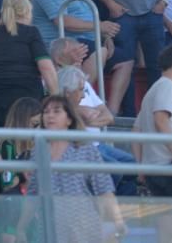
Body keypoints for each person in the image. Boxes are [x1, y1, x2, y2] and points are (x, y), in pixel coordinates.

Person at [20, 95, 126, 241]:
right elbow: (32, 195)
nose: (50, 115)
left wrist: (117, 222)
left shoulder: (85, 150)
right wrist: (20, 228)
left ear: (69, 119)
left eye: (57, 111)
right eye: (46, 112)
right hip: (49, 230)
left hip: (83, 229)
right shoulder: (38, 152)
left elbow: (104, 190)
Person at [0, 0, 58, 128]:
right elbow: (46, 68)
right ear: (26, 12)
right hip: (26, 107)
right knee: (27, 148)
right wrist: (56, 101)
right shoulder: (31, 33)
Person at [131, 46, 172, 197]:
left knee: (168, 217)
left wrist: (141, 167)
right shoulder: (168, 85)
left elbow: (136, 131)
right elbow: (161, 119)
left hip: (154, 167)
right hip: (169, 165)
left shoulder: (153, 90)